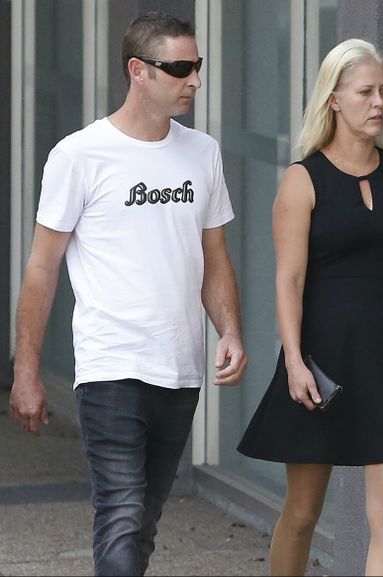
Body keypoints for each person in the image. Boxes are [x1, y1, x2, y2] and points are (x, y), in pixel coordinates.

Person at [9, 11, 247, 577]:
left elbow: (215, 260)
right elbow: (41, 269)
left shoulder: (203, 153)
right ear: (138, 71)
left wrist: (231, 330)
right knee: (120, 513)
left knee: (142, 522)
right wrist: (27, 371)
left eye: (198, 66)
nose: (194, 79)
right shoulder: (79, 156)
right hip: (110, 364)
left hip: (181, 368)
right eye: (181, 67)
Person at [237, 38, 383, 577]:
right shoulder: (303, 180)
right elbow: (289, 278)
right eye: (366, 91)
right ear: (334, 99)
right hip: (320, 359)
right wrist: (296, 362)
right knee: (303, 513)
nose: (379, 102)